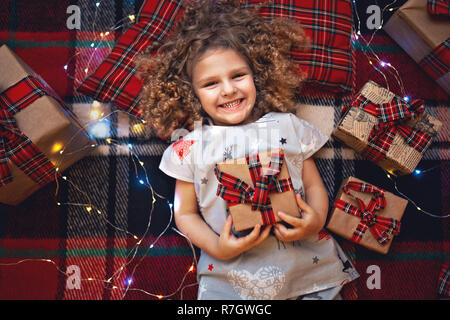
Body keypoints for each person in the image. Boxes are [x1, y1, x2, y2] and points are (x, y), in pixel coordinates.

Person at [136, 0, 358, 300]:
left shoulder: (288, 126)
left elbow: (313, 185)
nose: (228, 89)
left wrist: (316, 219)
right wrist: (217, 247)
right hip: (231, 276)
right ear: (191, 93)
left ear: (258, 75)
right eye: (211, 83)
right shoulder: (189, 148)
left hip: (309, 269)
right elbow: (185, 214)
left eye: (238, 76)